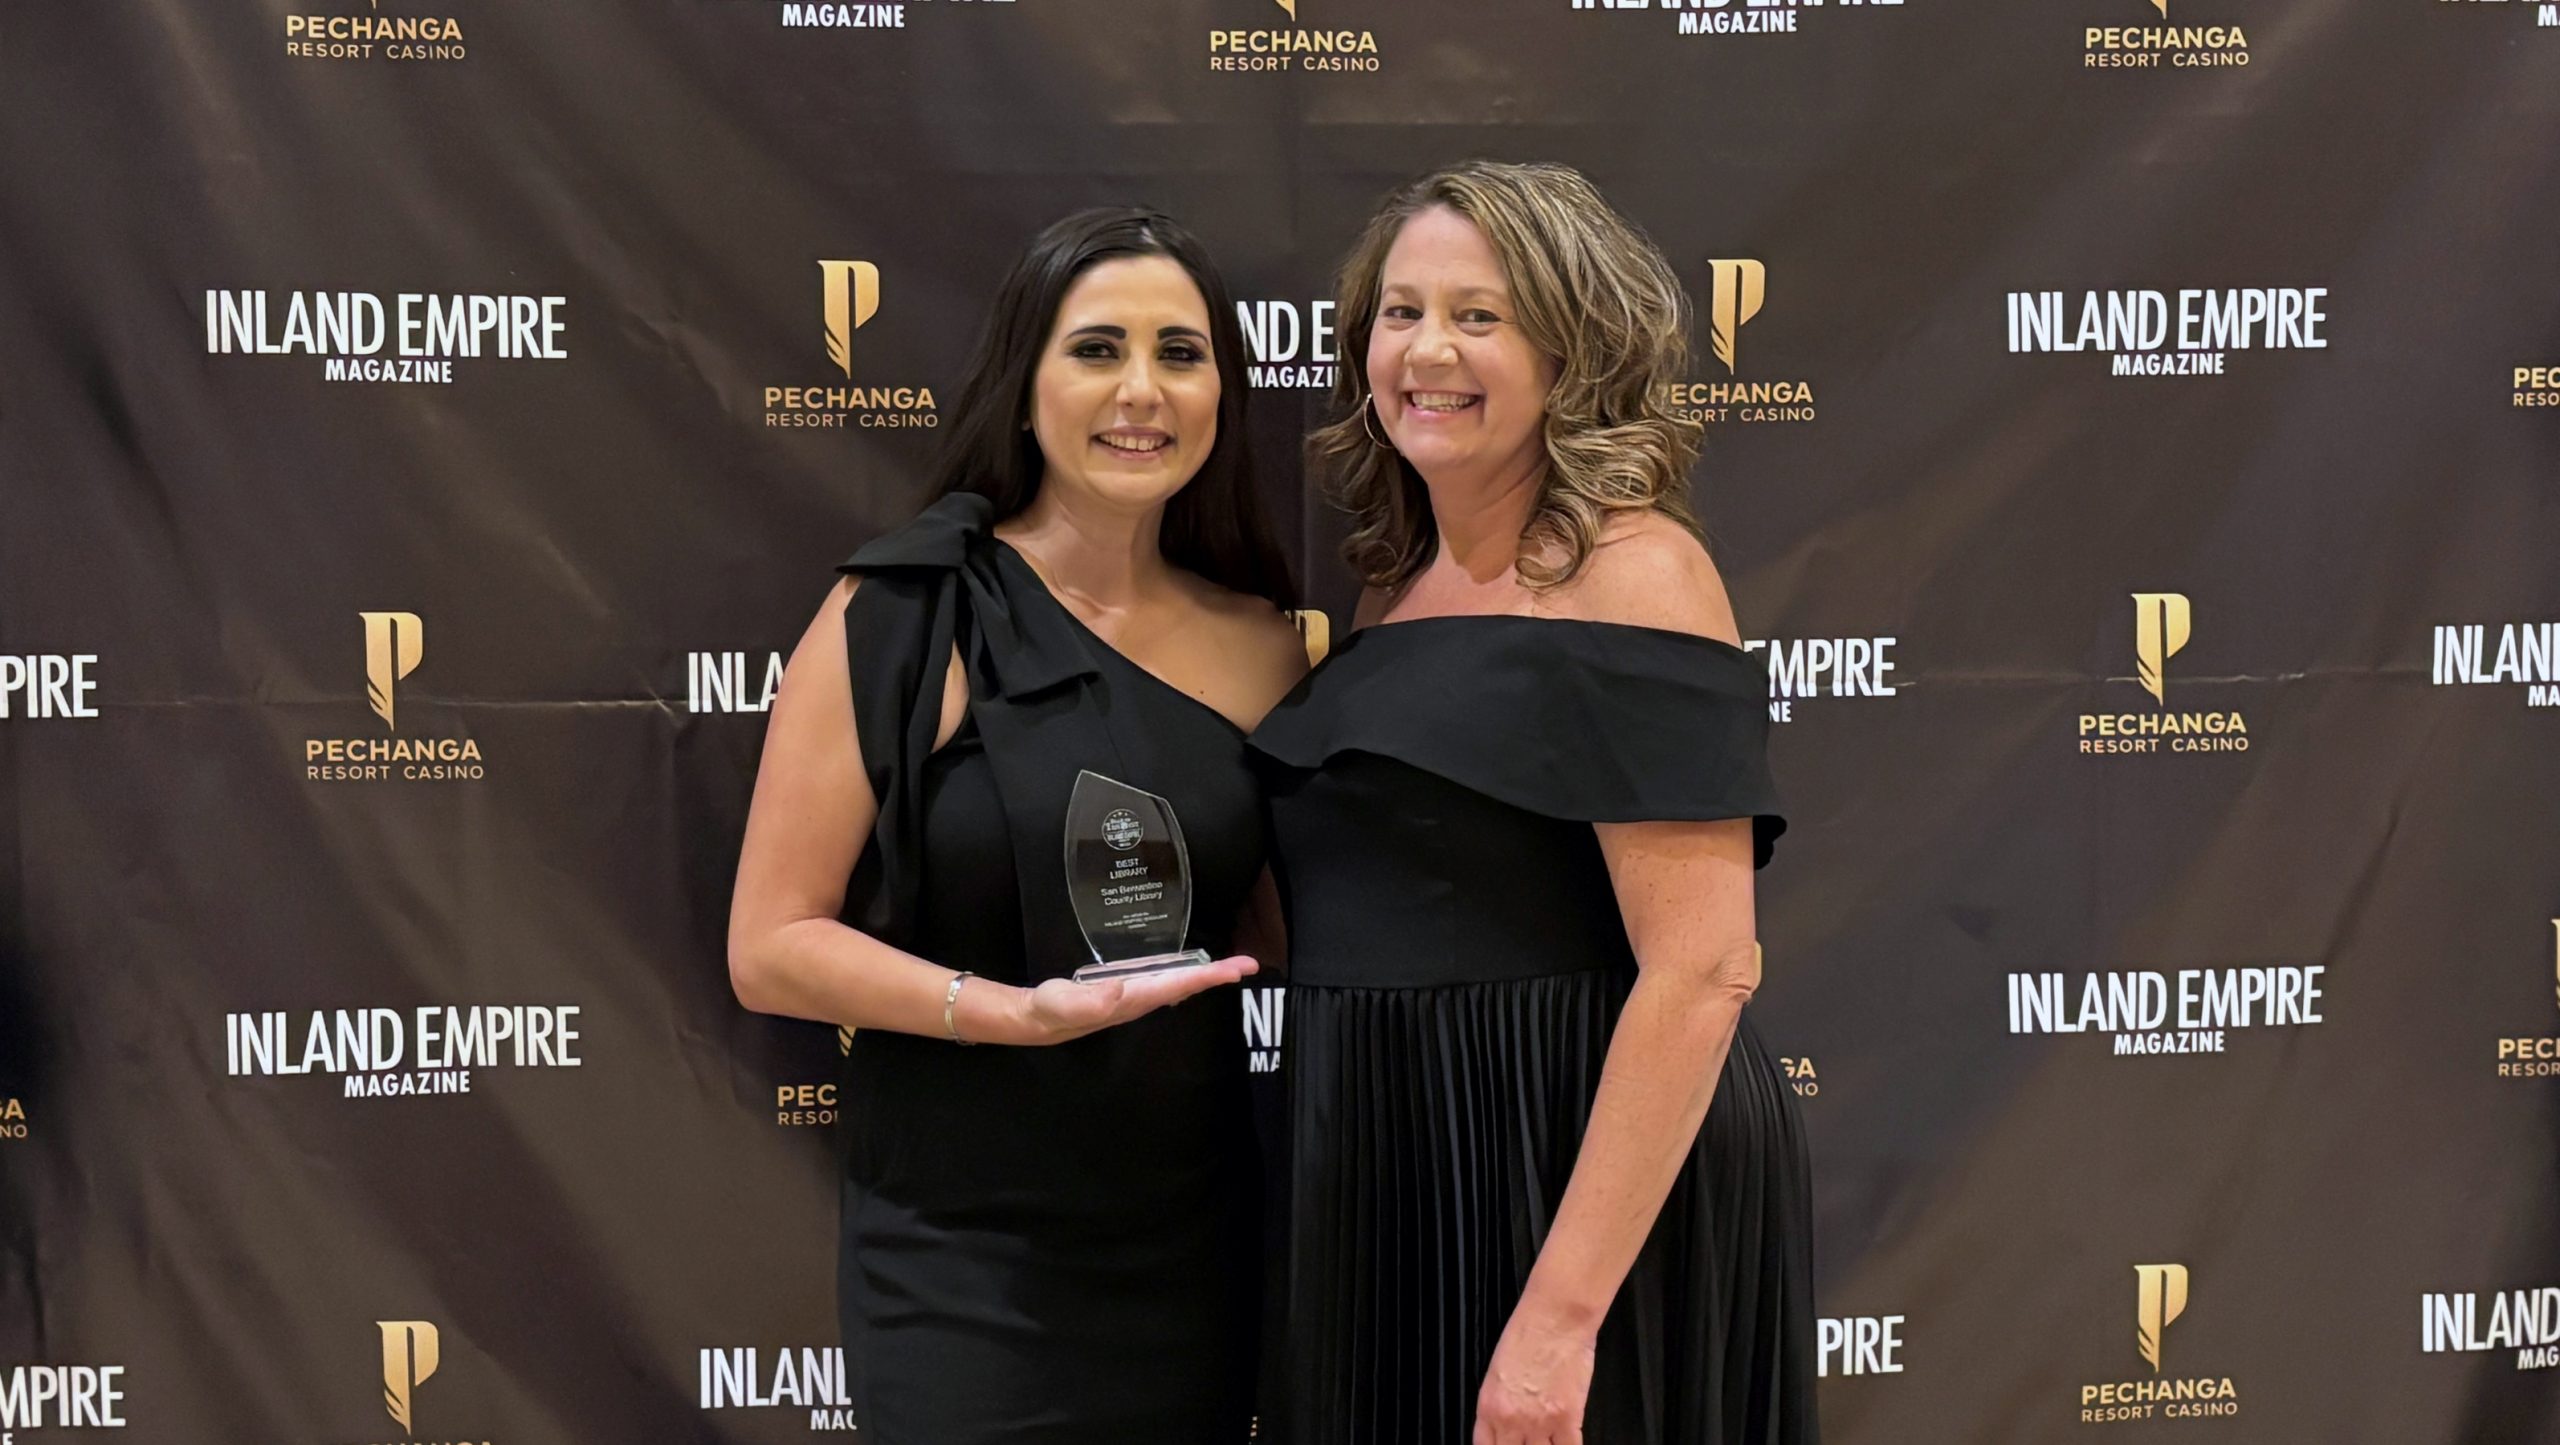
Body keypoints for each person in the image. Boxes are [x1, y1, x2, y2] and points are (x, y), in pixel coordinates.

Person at [1249, 161, 1817, 1445]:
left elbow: (1704, 967)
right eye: (1399, 312)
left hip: (1562, 1167)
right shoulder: (1392, 586)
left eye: (1478, 315)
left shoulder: (1637, 570)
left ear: (1572, 348)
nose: (1426, 349)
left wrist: (1559, 1318)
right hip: (1398, 1154)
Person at [728, 207, 1308, 1444]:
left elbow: (1288, 927)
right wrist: (1011, 1015)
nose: (1142, 389)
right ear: (1025, 381)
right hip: (959, 1252)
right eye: (1097, 348)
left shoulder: (1270, 645)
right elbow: (770, 942)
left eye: (1182, 353)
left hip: (1190, 1246)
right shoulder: (905, 612)